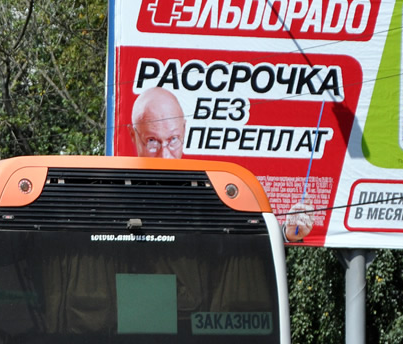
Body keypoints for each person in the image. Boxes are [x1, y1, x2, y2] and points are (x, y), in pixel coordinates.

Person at [130, 87, 314, 242]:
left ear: (184, 131)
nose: (165, 156)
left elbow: (245, 239)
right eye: (152, 141)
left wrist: (286, 234)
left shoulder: (208, 192)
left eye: (173, 140)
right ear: (133, 135)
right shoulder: (113, 193)